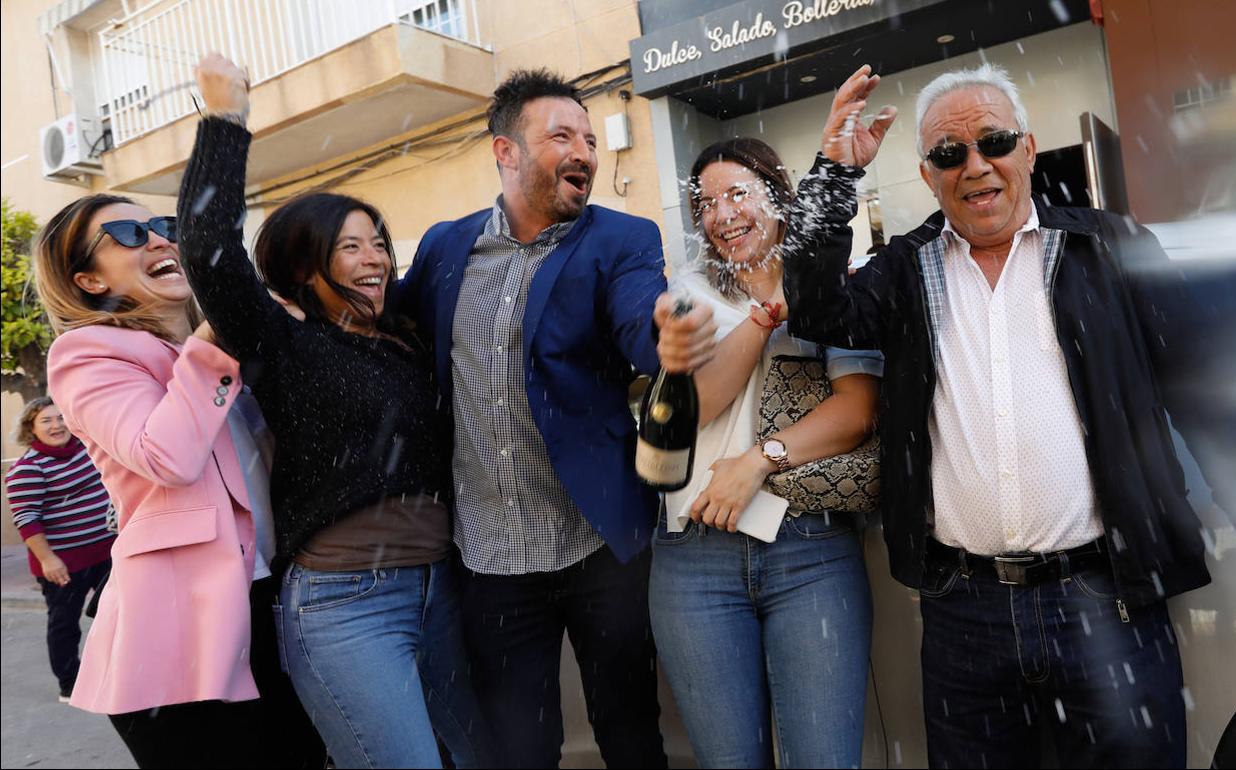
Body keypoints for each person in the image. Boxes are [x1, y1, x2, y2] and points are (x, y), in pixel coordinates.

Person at [662, 62, 1215, 768]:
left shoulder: (1110, 246)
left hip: (1106, 598)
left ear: (1028, 148)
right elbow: (818, 305)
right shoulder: (906, 267)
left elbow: (1199, 391)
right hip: (966, 611)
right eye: (950, 154)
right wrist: (834, 170)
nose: (975, 166)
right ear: (928, 174)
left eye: (993, 142)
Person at [178, 53, 486, 769]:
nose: (375, 256)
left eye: (378, 240)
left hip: (439, 589)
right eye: (350, 246)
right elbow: (207, 248)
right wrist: (226, 118)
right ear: (304, 266)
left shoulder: (404, 339)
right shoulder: (283, 344)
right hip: (346, 607)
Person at [394, 69, 668, 768]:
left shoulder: (622, 239)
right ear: (506, 151)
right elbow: (390, 337)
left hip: (599, 543)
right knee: (520, 749)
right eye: (561, 136)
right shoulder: (445, 249)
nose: (585, 150)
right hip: (489, 557)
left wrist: (668, 335)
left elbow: (641, 320)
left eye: (588, 137)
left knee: (631, 732)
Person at [33, 192, 319, 769]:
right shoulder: (88, 353)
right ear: (88, 280)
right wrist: (211, 341)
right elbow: (165, 455)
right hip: (175, 641)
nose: (162, 239)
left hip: (269, 605)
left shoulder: (208, 351)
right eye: (130, 234)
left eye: (162, 226)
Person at [648, 137, 882, 768]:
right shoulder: (690, 290)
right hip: (694, 561)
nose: (722, 215)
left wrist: (758, 461)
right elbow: (699, 404)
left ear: (777, 199)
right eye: (708, 203)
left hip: (810, 552)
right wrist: (763, 318)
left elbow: (856, 411)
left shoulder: (832, 283)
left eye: (738, 194)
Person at [6, 396, 114, 703]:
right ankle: (71, 684)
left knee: (119, 613)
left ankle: (117, 669)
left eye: (61, 418)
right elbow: (26, 520)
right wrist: (47, 559)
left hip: (107, 552)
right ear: (31, 428)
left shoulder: (87, 449)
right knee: (65, 623)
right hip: (63, 563)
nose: (56, 426)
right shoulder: (27, 469)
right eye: (46, 420)